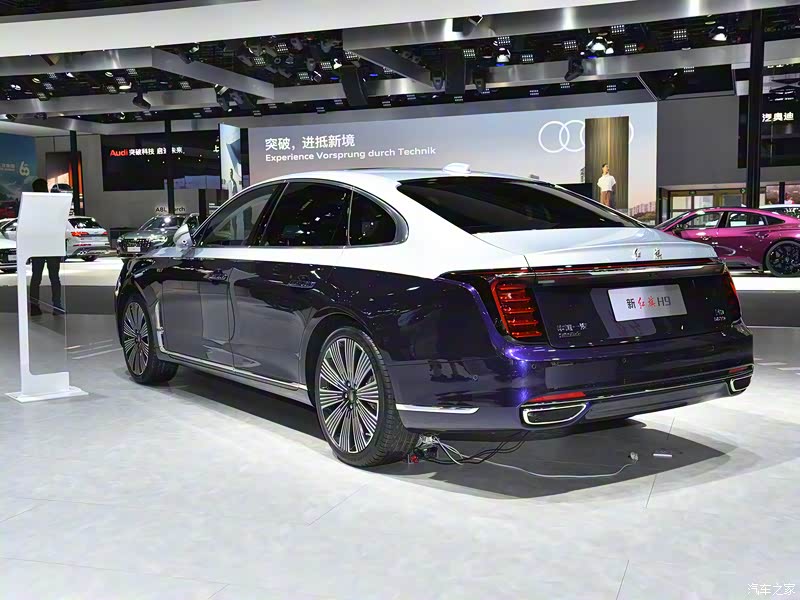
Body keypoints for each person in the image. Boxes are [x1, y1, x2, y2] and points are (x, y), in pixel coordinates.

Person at [28, 178, 64, 316]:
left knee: (36, 277)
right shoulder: (53, 203)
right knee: (54, 277)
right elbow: (59, 222)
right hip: (52, 244)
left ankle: (34, 306)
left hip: (38, 245)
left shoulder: (31, 205)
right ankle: (57, 306)